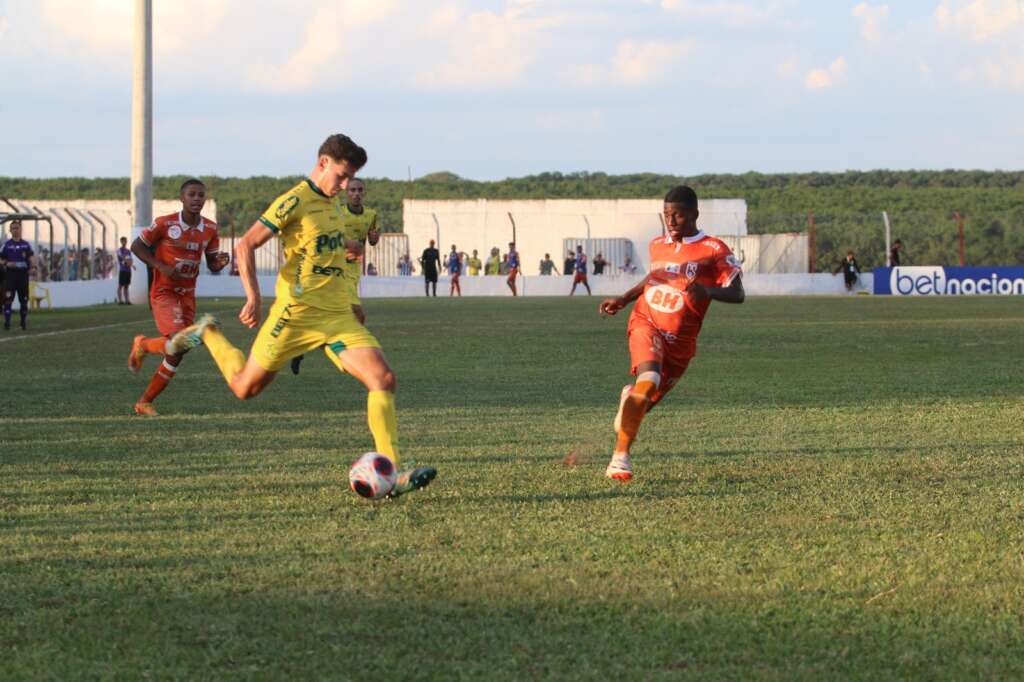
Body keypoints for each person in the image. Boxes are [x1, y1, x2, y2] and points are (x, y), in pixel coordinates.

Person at [165, 133, 435, 498]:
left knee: (383, 379)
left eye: (350, 179)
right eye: (341, 176)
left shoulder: (334, 203)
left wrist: (348, 254)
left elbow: (325, 244)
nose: (345, 185)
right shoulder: (294, 200)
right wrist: (253, 296)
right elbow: (246, 244)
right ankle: (209, 332)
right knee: (245, 388)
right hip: (295, 316)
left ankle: (393, 471)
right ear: (323, 163)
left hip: (337, 315)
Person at [599, 185, 744, 482]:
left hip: (681, 341)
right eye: (666, 215)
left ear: (694, 214)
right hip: (646, 322)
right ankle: (620, 459)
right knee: (649, 379)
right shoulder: (657, 244)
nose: (671, 221)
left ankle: (631, 399)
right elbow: (655, 277)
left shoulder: (714, 249)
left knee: (641, 403)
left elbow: (738, 293)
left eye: (677, 215)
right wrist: (624, 299)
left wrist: (708, 291)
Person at [125, 178, 230, 416]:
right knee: (178, 341)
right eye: (192, 194)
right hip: (165, 291)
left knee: (178, 351)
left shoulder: (210, 228)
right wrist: (160, 266)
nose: (196, 199)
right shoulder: (165, 223)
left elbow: (212, 265)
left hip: (187, 295)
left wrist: (220, 262)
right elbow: (137, 246)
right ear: (182, 198)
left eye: (200, 195)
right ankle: (142, 347)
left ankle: (144, 399)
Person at [1, 220, 36, 331]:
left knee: (24, 300)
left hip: (22, 275)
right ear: (10, 230)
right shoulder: (6, 245)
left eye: (17, 228)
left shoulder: (26, 244)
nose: (15, 230)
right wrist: (6, 263)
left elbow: (31, 257)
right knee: (8, 299)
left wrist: (33, 267)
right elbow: (0, 258)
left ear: (21, 230)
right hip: (10, 276)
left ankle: (23, 322)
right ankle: (7, 322)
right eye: (13, 228)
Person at [116, 236, 135, 304]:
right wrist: (131, 265)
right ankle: (120, 300)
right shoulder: (119, 250)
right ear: (121, 242)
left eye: (126, 241)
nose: (125, 242)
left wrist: (131, 263)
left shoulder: (128, 251)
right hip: (123, 270)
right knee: (120, 285)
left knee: (126, 285)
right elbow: (123, 257)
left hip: (128, 270)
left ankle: (127, 300)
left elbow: (130, 259)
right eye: (124, 241)